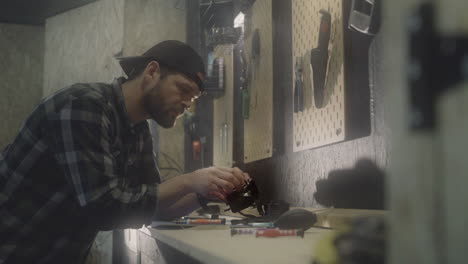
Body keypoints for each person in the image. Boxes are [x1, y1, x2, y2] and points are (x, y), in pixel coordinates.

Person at [0, 40, 250, 263]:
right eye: (183, 90)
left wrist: (207, 191)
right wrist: (190, 180)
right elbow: (104, 208)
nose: (186, 103)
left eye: (192, 98)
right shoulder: (83, 105)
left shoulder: (138, 129)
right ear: (152, 72)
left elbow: (154, 206)